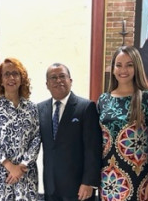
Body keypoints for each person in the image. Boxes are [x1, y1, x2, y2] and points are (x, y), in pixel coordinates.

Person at [98, 46, 148, 201]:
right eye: (118, 65)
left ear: (137, 67)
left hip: (138, 178)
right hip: (108, 178)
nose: (123, 70)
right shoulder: (104, 100)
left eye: (129, 65)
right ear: (113, 69)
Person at [38, 63, 102, 201]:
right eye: (53, 78)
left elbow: (93, 148)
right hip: (51, 187)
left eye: (62, 76)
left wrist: (88, 182)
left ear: (70, 81)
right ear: (47, 84)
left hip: (79, 188)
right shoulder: (40, 109)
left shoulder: (86, 107)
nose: (58, 80)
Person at [0, 57, 41, 200]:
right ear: (1, 80)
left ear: (22, 78)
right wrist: (10, 167)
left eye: (16, 73)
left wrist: (22, 166)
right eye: (6, 74)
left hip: (25, 172)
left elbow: (36, 138)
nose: (11, 78)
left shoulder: (31, 108)